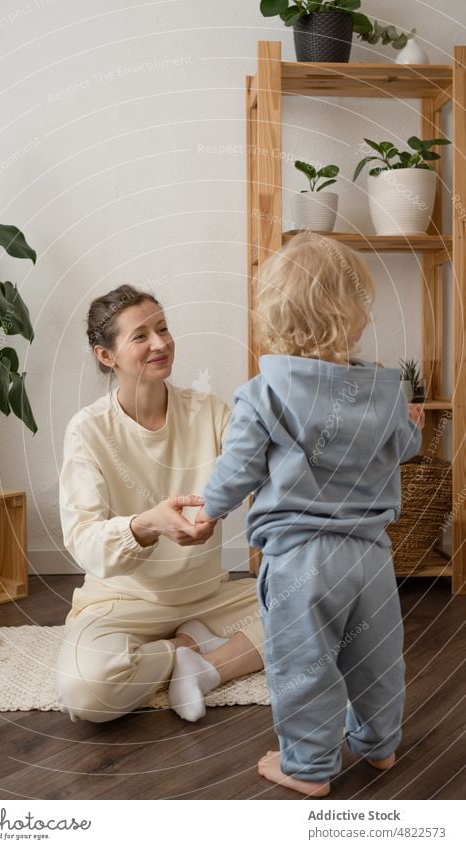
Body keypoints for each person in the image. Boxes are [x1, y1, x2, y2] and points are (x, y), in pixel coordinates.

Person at [195, 233, 424, 797]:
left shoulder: (264, 391)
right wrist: (410, 423)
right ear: (352, 318)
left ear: (275, 314)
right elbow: (405, 446)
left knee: (304, 666)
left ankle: (307, 766)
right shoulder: (385, 390)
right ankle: (379, 745)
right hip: (370, 558)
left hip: (301, 559)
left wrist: (207, 511)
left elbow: (239, 467)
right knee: (376, 658)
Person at [56, 284, 264, 724]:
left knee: (330, 607)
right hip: (122, 603)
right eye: (140, 336)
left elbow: (257, 475)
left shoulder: (211, 412)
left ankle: (207, 666)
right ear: (105, 356)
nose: (161, 343)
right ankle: (185, 650)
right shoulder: (88, 431)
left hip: (207, 597)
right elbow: (83, 540)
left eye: (164, 328)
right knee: (86, 693)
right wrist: (144, 526)